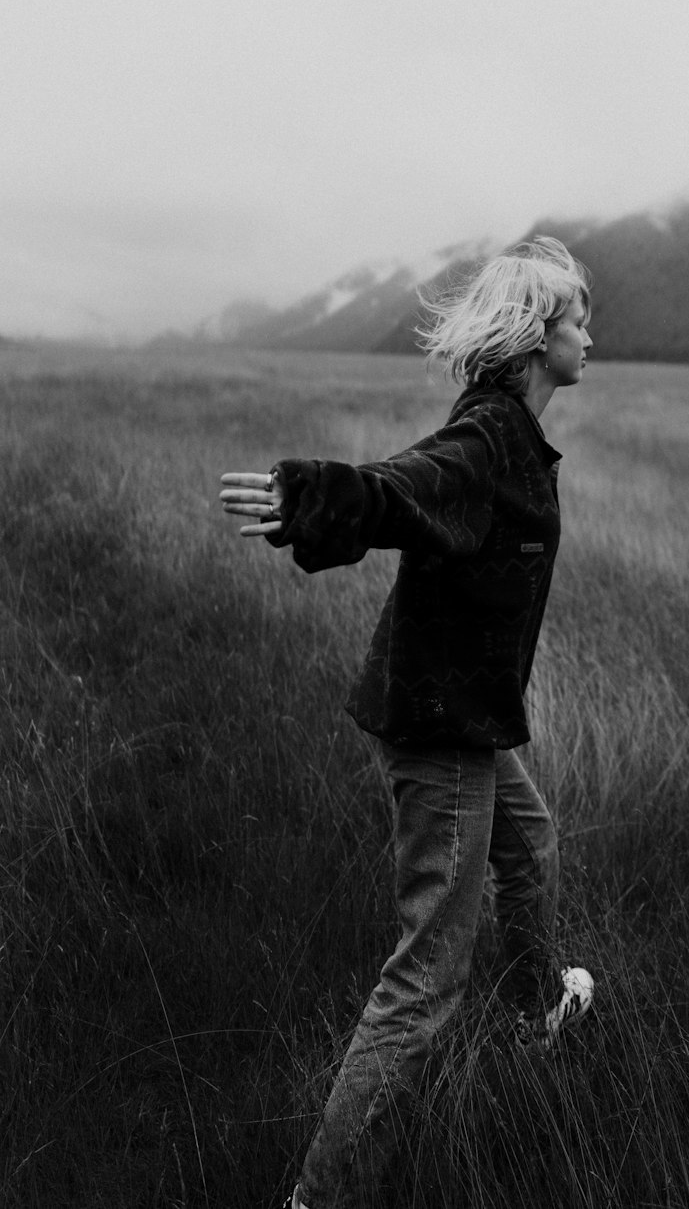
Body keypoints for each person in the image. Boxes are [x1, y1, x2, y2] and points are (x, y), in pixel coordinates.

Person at [219, 236, 595, 1209]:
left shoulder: (508, 427)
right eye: (577, 318)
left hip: (457, 706)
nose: (590, 335)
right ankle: (320, 1196)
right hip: (441, 725)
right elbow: (401, 488)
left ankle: (537, 1006)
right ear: (535, 338)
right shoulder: (485, 441)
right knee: (425, 979)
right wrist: (316, 498)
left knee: (532, 842)